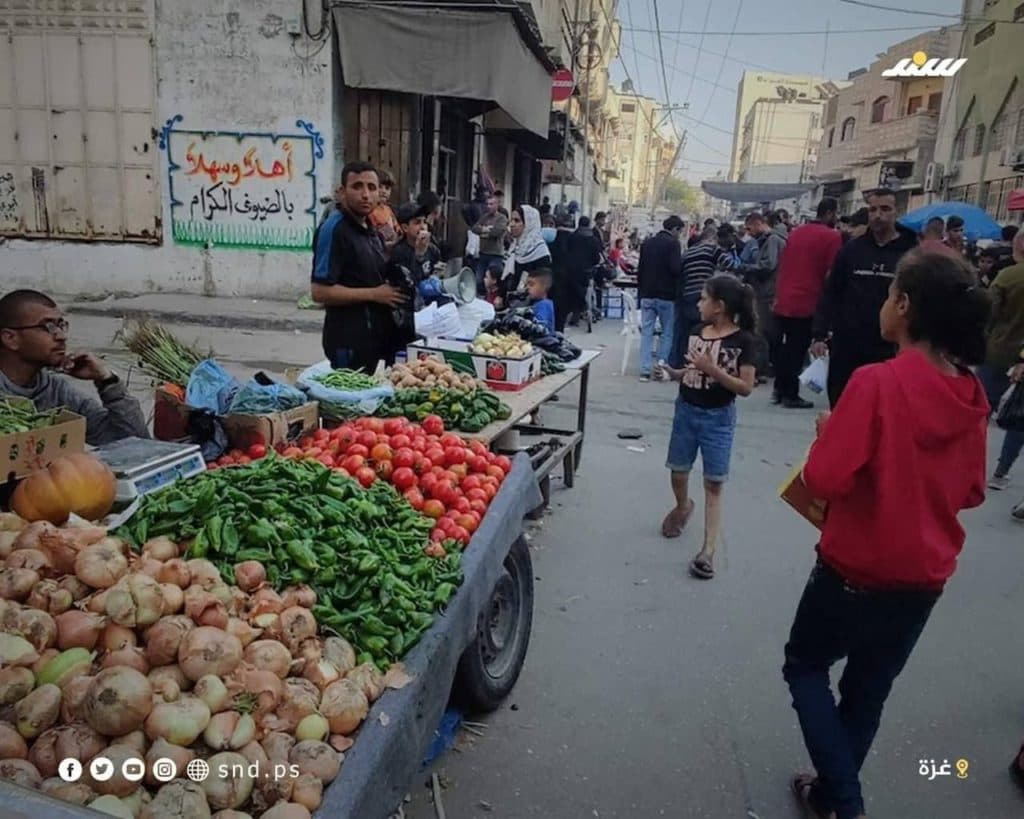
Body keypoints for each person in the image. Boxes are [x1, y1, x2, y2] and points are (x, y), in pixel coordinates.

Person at [783, 249, 990, 819]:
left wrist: (830, 435)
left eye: (888, 294)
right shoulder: (971, 395)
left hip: (853, 570)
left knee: (803, 666)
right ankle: (828, 794)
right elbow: (972, 492)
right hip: (922, 580)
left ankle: (845, 802)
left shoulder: (877, 382)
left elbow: (824, 477)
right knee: (867, 692)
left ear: (903, 305)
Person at [657, 275, 757, 580]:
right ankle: (683, 505)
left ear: (719, 306)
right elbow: (692, 369)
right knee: (678, 469)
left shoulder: (743, 342)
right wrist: (675, 374)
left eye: (703, 298)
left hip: (718, 418)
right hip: (686, 410)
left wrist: (713, 370)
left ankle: (708, 551)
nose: (698, 303)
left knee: (714, 483)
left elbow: (746, 387)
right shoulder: (696, 332)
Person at [811, 189, 919, 407]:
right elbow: (832, 291)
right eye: (873, 209)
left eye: (885, 209)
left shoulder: (911, 254)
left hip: (890, 349)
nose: (878, 215)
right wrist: (819, 334)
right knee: (843, 407)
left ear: (897, 212)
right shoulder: (851, 250)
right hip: (848, 347)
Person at [0, 290, 148, 446]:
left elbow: (136, 445)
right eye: (48, 326)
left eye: (61, 325)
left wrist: (107, 380)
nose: (61, 336)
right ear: (10, 339)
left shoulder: (56, 391)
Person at [311, 161, 407, 374]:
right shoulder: (334, 230)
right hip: (347, 341)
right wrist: (375, 294)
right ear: (342, 192)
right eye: (357, 186)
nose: (366, 194)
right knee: (350, 403)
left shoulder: (370, 228)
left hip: (372, 338)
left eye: (372, 188)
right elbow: (319, 292)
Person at [772, 198, 843, 408]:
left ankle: (780, 388)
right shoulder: (832, 237)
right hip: (807, 300)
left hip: (784, 297)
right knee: (797, 348)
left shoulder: (797, 232)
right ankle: (790, 394)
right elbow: (832, 273)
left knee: (784, 348)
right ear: (830, 213)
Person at [978, 231, 1024, 491]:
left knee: (981, 408)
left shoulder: (1007, 276)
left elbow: (988, 314)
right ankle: (1001, 470)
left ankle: (966, 459)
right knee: (1020, 416)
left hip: (997, 350)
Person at [737, 211, 787, 381]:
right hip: (769, 290)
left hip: (767, 291)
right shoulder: (773, 239)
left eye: (750, 228)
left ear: (758, 223)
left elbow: (768, 265)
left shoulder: (772, 240)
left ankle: (762, 368)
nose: (749, 233)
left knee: (761, 331)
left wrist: (747, 268)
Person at [636, 216, 684, 381]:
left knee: (647, 333)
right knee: (667, 333)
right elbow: (676, 269)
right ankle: (661, 368)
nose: (680, 235)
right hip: (666, 296)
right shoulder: (673, 244)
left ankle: (644, 370)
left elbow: (640, 270)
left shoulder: (647, 243)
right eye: (680, 231)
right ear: (675, 229)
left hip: (647, 294)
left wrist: (641, 292)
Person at [673, 224, 727, 369]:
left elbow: (680, 274)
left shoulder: (688, 252)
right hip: (705, 295)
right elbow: (730, 264)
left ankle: (680, 363)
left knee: (686, 332)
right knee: (704, 331)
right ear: (713, 238)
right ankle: (699, 363)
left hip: (687, 295)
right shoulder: (713, 249)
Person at [390, 203, 442, 297]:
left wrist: (438, 274)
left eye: (424, 222)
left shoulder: (432, 249)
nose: (423, 227)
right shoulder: (398, 252)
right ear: (405, 228)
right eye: (417, 222)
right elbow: (409, 286)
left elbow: (437, 273)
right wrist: (419, 256)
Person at [565, 215, 604, 326]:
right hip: (587, 271)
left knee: (574, 292)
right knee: (585, 291)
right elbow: (596, 258)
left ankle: (576, 315)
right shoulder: (593, 239)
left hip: (571, 270)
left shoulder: (572, 237)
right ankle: (586, 309)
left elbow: (567, 252)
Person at [506, 205, 552, 298]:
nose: (511, 224)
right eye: (511, 220)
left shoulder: (540, 252)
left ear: (529, 224)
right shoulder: (515, 247)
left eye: (517, 220)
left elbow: (540, 286)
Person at [470, 194, 509, 293]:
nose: (489, 206)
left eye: (491, 204)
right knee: (479, 280)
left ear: (497, 205)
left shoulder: (502, 218)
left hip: (495, 254)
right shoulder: (485, 217)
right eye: (487, 204)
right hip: (483, 253)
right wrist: (485, 229)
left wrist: (483, 232)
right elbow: (474, 228)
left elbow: (497, 232)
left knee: (494, 281)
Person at [368, 170, 400, 247]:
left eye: (387, 188)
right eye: (380, 187)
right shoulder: (370, 211)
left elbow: (397, 228)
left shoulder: (388, 209)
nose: (384, 191)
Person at [526, 270, 556, 335]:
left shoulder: (544, 305)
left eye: (531, 284)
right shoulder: (539, 303)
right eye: (527, 284)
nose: (527, 287)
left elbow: (539, 328)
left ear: (544, 287)